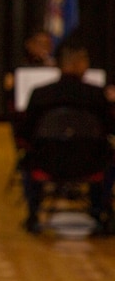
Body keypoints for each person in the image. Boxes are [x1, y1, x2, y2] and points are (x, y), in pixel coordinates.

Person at [18, 36, 115, 233]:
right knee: (109, 156)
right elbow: (109, 129)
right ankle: (99, 210)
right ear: (78, 63)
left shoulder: (41, 94)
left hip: (47, 162)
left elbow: (25, 134)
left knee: (26, 158)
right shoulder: (96, 95)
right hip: (91, 163)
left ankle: (34, 213)